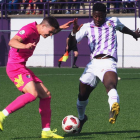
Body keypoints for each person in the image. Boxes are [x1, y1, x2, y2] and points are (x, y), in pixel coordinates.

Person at [69, 3, 140, 133]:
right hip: (92, 64)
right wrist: (73, 33)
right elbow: (72, 42)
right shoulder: (86, 27)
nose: (97, 19)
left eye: (100, 16)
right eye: (95, 16)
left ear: (105, 15)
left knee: (110, 85)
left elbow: (123, 28)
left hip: (108, 61)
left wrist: (133, 34)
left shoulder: (112, 22)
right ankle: (81, 118)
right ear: (92, 15)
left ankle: (113, 107)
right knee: (82, 95)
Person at [0, 16, 73, 138]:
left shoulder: (39, 30)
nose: (50, 35)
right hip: (15, 67)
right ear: (43, 26)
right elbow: (12, 42)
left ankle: (46, 131)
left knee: (45, 95)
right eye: (50, 32)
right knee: (32, 94)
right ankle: (2, 115)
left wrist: (60, 28)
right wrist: (25, 46)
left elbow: (48, 29)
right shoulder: (28, 29)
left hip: (22, 67)